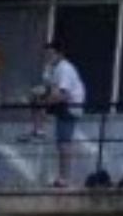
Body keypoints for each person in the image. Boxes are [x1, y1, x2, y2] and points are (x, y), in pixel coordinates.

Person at [34, 42, 86, 189]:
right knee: (35, 97)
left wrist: (45, 103)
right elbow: (48, 87)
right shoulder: (50, 68)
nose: (48, 57)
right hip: (60, 102)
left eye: (51, 54)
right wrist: (39, 95)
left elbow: (63, 95)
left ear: (60, 55)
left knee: (64, 143)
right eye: (46, 54)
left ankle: (65, 178)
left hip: (70, 105)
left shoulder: (65, 69)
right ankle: (38, 129)